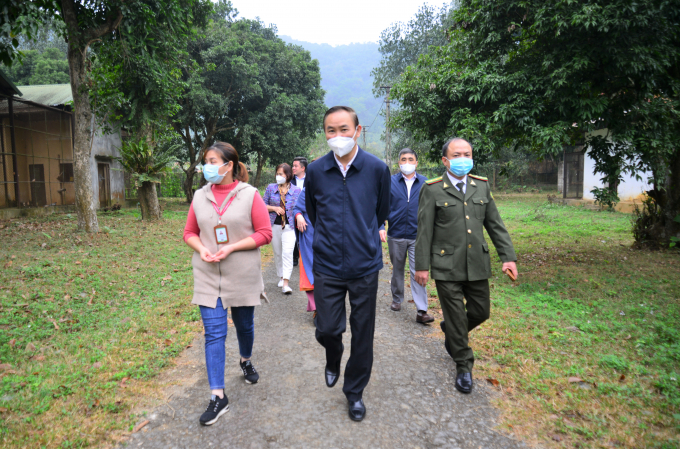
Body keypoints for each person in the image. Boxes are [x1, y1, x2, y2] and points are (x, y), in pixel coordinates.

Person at [305, 106, 391, 422]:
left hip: (365, 264)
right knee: (327, 328)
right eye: (331, 130)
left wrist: (361, 235)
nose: (337, 136)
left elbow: (381, 211)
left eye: (344, 129)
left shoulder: (376, 169)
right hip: (327, 263)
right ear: (325, 133)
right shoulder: (315, 171)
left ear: (357, 130)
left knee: (363, 331)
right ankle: (333, 355)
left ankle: (354, 392)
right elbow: (314, 213)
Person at [414, 137, 518, 395]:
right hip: (445, 264)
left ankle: (451, 329)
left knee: (481, 312)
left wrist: (508, 256)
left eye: (467, 153)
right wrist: (421, 266)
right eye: (457, 154)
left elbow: (495, 224)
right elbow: (424, 231)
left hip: (477, 263)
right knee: (458, 315)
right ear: (445, 160)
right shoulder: (433, 188)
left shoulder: (481, 186)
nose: (463, 159)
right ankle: (463, 366)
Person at [183, 142, 272, 426]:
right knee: (214, 333)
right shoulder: (199, 196)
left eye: (212, 161)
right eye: (205, 161)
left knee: (244, 325)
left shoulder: (250, 195)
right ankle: (218, 396)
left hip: (242, 274)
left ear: (229, 164)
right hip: (208, 274)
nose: (207, 166)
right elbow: (189, 232)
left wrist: (232, 247)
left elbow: (265, 233)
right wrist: (201, 249)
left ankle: (245, 360)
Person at [378, 148, 432, 324]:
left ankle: (422, 309)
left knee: (418, 270)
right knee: (397, 269)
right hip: (396, 233)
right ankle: (397, 298)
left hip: (419, 235)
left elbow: (432, 209)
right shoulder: (390, 182)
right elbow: (382, 205)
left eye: (410, 159)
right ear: (399, 162)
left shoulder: (425, 183)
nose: (407, 162)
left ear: (416, 162)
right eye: (403, 159)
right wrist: (381, 226)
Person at [263, 163, 301, 294]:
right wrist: (274, 208)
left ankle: (286, 282)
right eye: (277, 173)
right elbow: (262, 205)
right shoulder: (270, 188)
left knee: (287, 253)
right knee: (278, 253)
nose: (278, 176)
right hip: (274, 225)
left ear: (288, 175)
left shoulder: (296, 191)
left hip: (289, 226)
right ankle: (280, 276)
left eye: (281, 174)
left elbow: (299, 207)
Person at [293, 185, 316, 318]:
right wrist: (299, 216)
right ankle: (316, 307)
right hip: (310, 236)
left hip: (331, 237)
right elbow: (297, 208)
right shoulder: (309, 189)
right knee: (310, 271)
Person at [291, 157, 308, 267]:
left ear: (303, 168)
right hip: (293, 212)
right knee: (293, 234)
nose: (293, 168)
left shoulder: (311, 180)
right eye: (293, 166)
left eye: (296, 166)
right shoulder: (290, 180)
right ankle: (294, 256)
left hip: (308, 211)